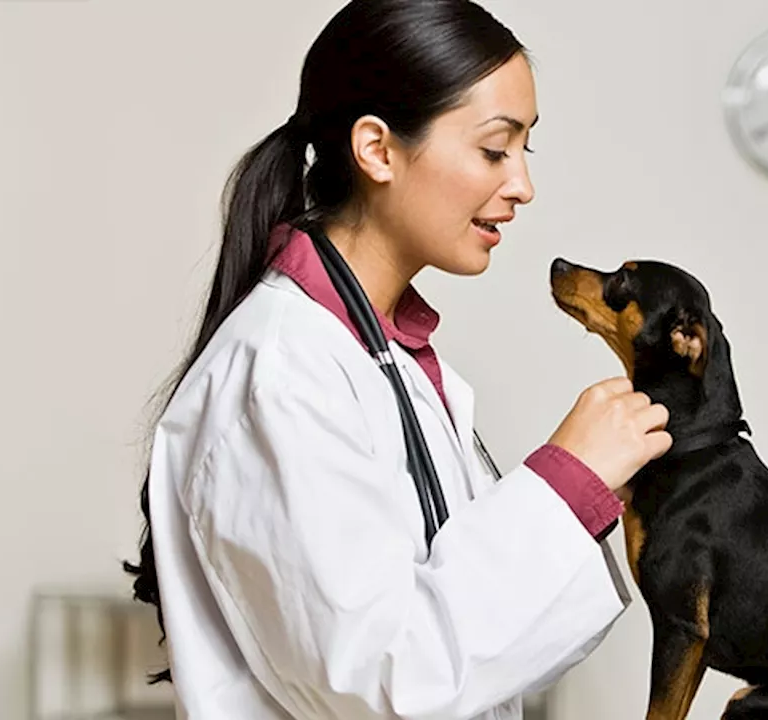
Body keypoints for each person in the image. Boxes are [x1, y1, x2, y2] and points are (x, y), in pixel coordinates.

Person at [122, 1, 672, 718]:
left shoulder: (390, 358)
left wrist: (600, 492)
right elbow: (387, 683)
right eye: (494, 148)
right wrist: (565, 481)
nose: (522, 187)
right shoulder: (284, 373)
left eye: (525, 150)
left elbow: (479, 655)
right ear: (377, 149)